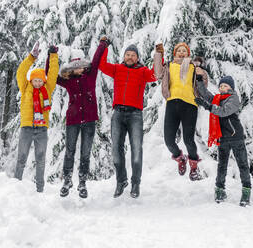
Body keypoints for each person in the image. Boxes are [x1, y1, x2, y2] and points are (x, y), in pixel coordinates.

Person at [99, 41, 156, 198]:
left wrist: (159, 55)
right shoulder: (117, 69)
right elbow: (102, 65)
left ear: (137, 58)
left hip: (135, 115)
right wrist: (104, 46)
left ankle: (136, 183)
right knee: (116, 149)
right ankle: (121, 181)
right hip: (118, 114)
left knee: (136, 149)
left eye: (133, 55)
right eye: (128, 55)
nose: (130, 57)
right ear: (124, 56)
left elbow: (155, 74)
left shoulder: (143, 72)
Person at [56, 37, 109, 198]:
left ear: (85, 67)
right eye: (75, 67)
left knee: (85, 152)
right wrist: (52, 57)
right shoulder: (68, 82)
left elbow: (96, 59)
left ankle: (82, 183)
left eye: (81, 67)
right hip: (72, 120)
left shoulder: (90, 76)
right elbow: (51, 76)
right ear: (70, 69)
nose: (78, 69)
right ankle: (67, 181)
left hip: (89, 121)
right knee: (70, 151)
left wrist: (102, 44)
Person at [153, 42, 209, 181]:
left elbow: (204, 85)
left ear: (188, 54)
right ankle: (180, 158)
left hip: (190, 105)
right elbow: (158, 73)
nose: (182, 53)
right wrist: (159, 54)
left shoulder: (193, 67)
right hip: (172, 103)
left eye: (185, 51)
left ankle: (194, 168)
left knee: (188, 139)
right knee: (169, 140)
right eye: (179, 51)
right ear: (175, 53)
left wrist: (202, 72)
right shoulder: (169, 66)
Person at [194, 75, 252, 206]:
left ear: (231, 87)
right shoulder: (218, 99)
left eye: (225, 86)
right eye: (220, 86)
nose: (222, 88)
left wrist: (208, 107)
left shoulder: (233, 99)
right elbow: (206, 95)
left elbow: (224, 111)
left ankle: (246, 191)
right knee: (222, 166)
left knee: (242, 164)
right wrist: (199, 81)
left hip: (236, 136)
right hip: (223, 138)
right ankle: (219, 190)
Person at [14, 41, 59, 192]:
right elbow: (21, 72)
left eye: (40, 80)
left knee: (40, 159)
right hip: (26, 128)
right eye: (35, 80)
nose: (38, 82)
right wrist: (31, 57)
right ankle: (15, 187)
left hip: (41, 130)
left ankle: (40, 189)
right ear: (31, 80)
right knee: (21, 158)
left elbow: (53, 73)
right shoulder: (25, 87)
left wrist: (53, 55)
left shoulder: (47, 88)